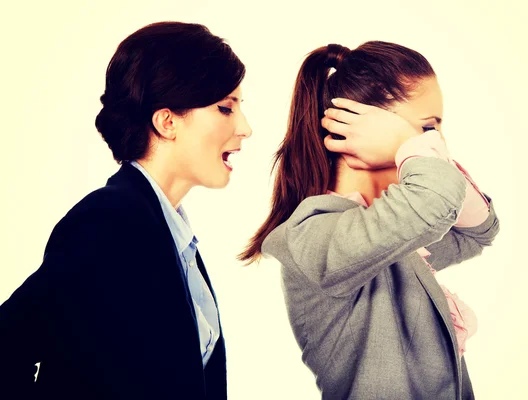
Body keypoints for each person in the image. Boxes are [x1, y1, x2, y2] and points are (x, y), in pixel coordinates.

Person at [0, 21, 251, 399]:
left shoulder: (171, 235)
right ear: (167, 122)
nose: (245, 128)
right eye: (225, 108)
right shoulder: (107, 223)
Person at [240, 42, 499, 399]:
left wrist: (408, 141)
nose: (434, 145)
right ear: (361, 127)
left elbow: (479, 230)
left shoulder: (392, 232)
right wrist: (407, 144)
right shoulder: (314, 236)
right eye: (427, 128)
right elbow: (437, 197)